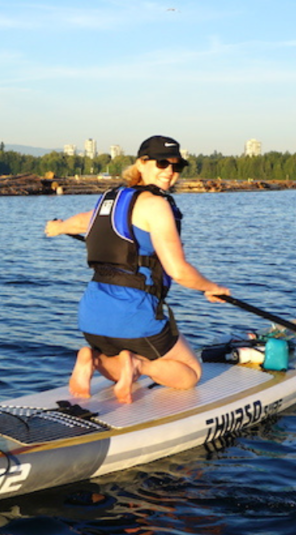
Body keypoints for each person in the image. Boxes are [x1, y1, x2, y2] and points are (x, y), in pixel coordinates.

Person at [45, 135, 230, 404]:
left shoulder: (109, 199)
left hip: (91, 317)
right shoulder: (157, 205)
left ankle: (93, 357)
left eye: (176, 166)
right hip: (134, 315)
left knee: (118, 365)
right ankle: (137, 366)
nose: (169, 172)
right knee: (190, 373)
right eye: (162, 163)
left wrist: (58, 227)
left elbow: (81, 222)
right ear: (141, 164)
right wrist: (212, 288)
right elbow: (177, 270)